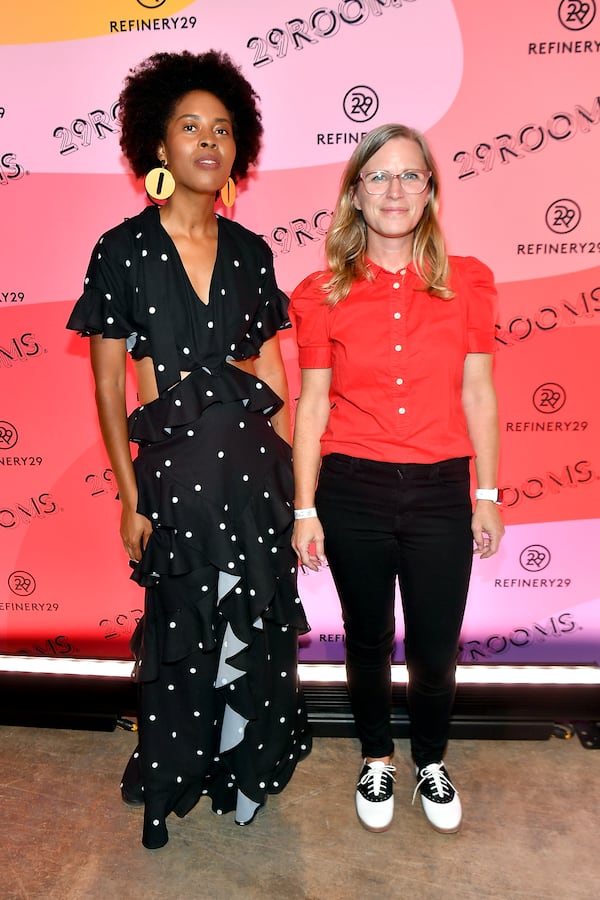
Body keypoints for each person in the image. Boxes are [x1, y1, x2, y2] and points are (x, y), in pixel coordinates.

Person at [66, 50, 311, 850]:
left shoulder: (252, 253)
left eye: (225, 129)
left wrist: (292, 485)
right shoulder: (122, 250)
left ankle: (246, 773)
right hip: (173, 487)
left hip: (255, 483)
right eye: (191, 126)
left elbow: (272, 369)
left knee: (254, 631)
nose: (210, 140)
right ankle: (175, 780)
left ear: (238, 151)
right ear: (158, 148)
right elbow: (109, 390)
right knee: (182, 638)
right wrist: (129, 502)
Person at [290, 123, 504, 835]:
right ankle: (377, 755)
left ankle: (432, 761)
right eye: (378, 176)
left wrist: (486, 494)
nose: (394, 190)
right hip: (353, 488)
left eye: (411, 175)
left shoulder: (469, 281)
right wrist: (304, 508)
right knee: (368, 636)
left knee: (438, 643)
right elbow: (312, 402)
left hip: (443, 488)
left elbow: (478, 392)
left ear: (431, 190)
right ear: (354, 192)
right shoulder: (320, 292)